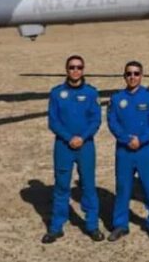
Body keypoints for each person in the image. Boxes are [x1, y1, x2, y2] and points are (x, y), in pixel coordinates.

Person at [42, 55, 105, 244]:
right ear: (66, 70)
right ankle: (56, 227)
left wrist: (82, 137)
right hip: (63, 146)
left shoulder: (91, 93)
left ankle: (92, 226)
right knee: (61, 186)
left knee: (88, 185)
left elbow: (96, 119)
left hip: (85, 146)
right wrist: (69, 138)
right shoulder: (56, 93)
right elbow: (53, 121)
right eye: (71, 67)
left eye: (79, 67)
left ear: (83, 70)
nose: (75, 71)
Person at [107, 61, 149, 242]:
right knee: (123, 187)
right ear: (124, 76)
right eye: (129, 74)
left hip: (145, 149)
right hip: (124, 151)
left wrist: (141, 139)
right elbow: (113, 122)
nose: (132, 77)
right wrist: (126, 140)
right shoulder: (116, 99)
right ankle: (120, 225)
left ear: (141, 76)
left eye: (136, 73)